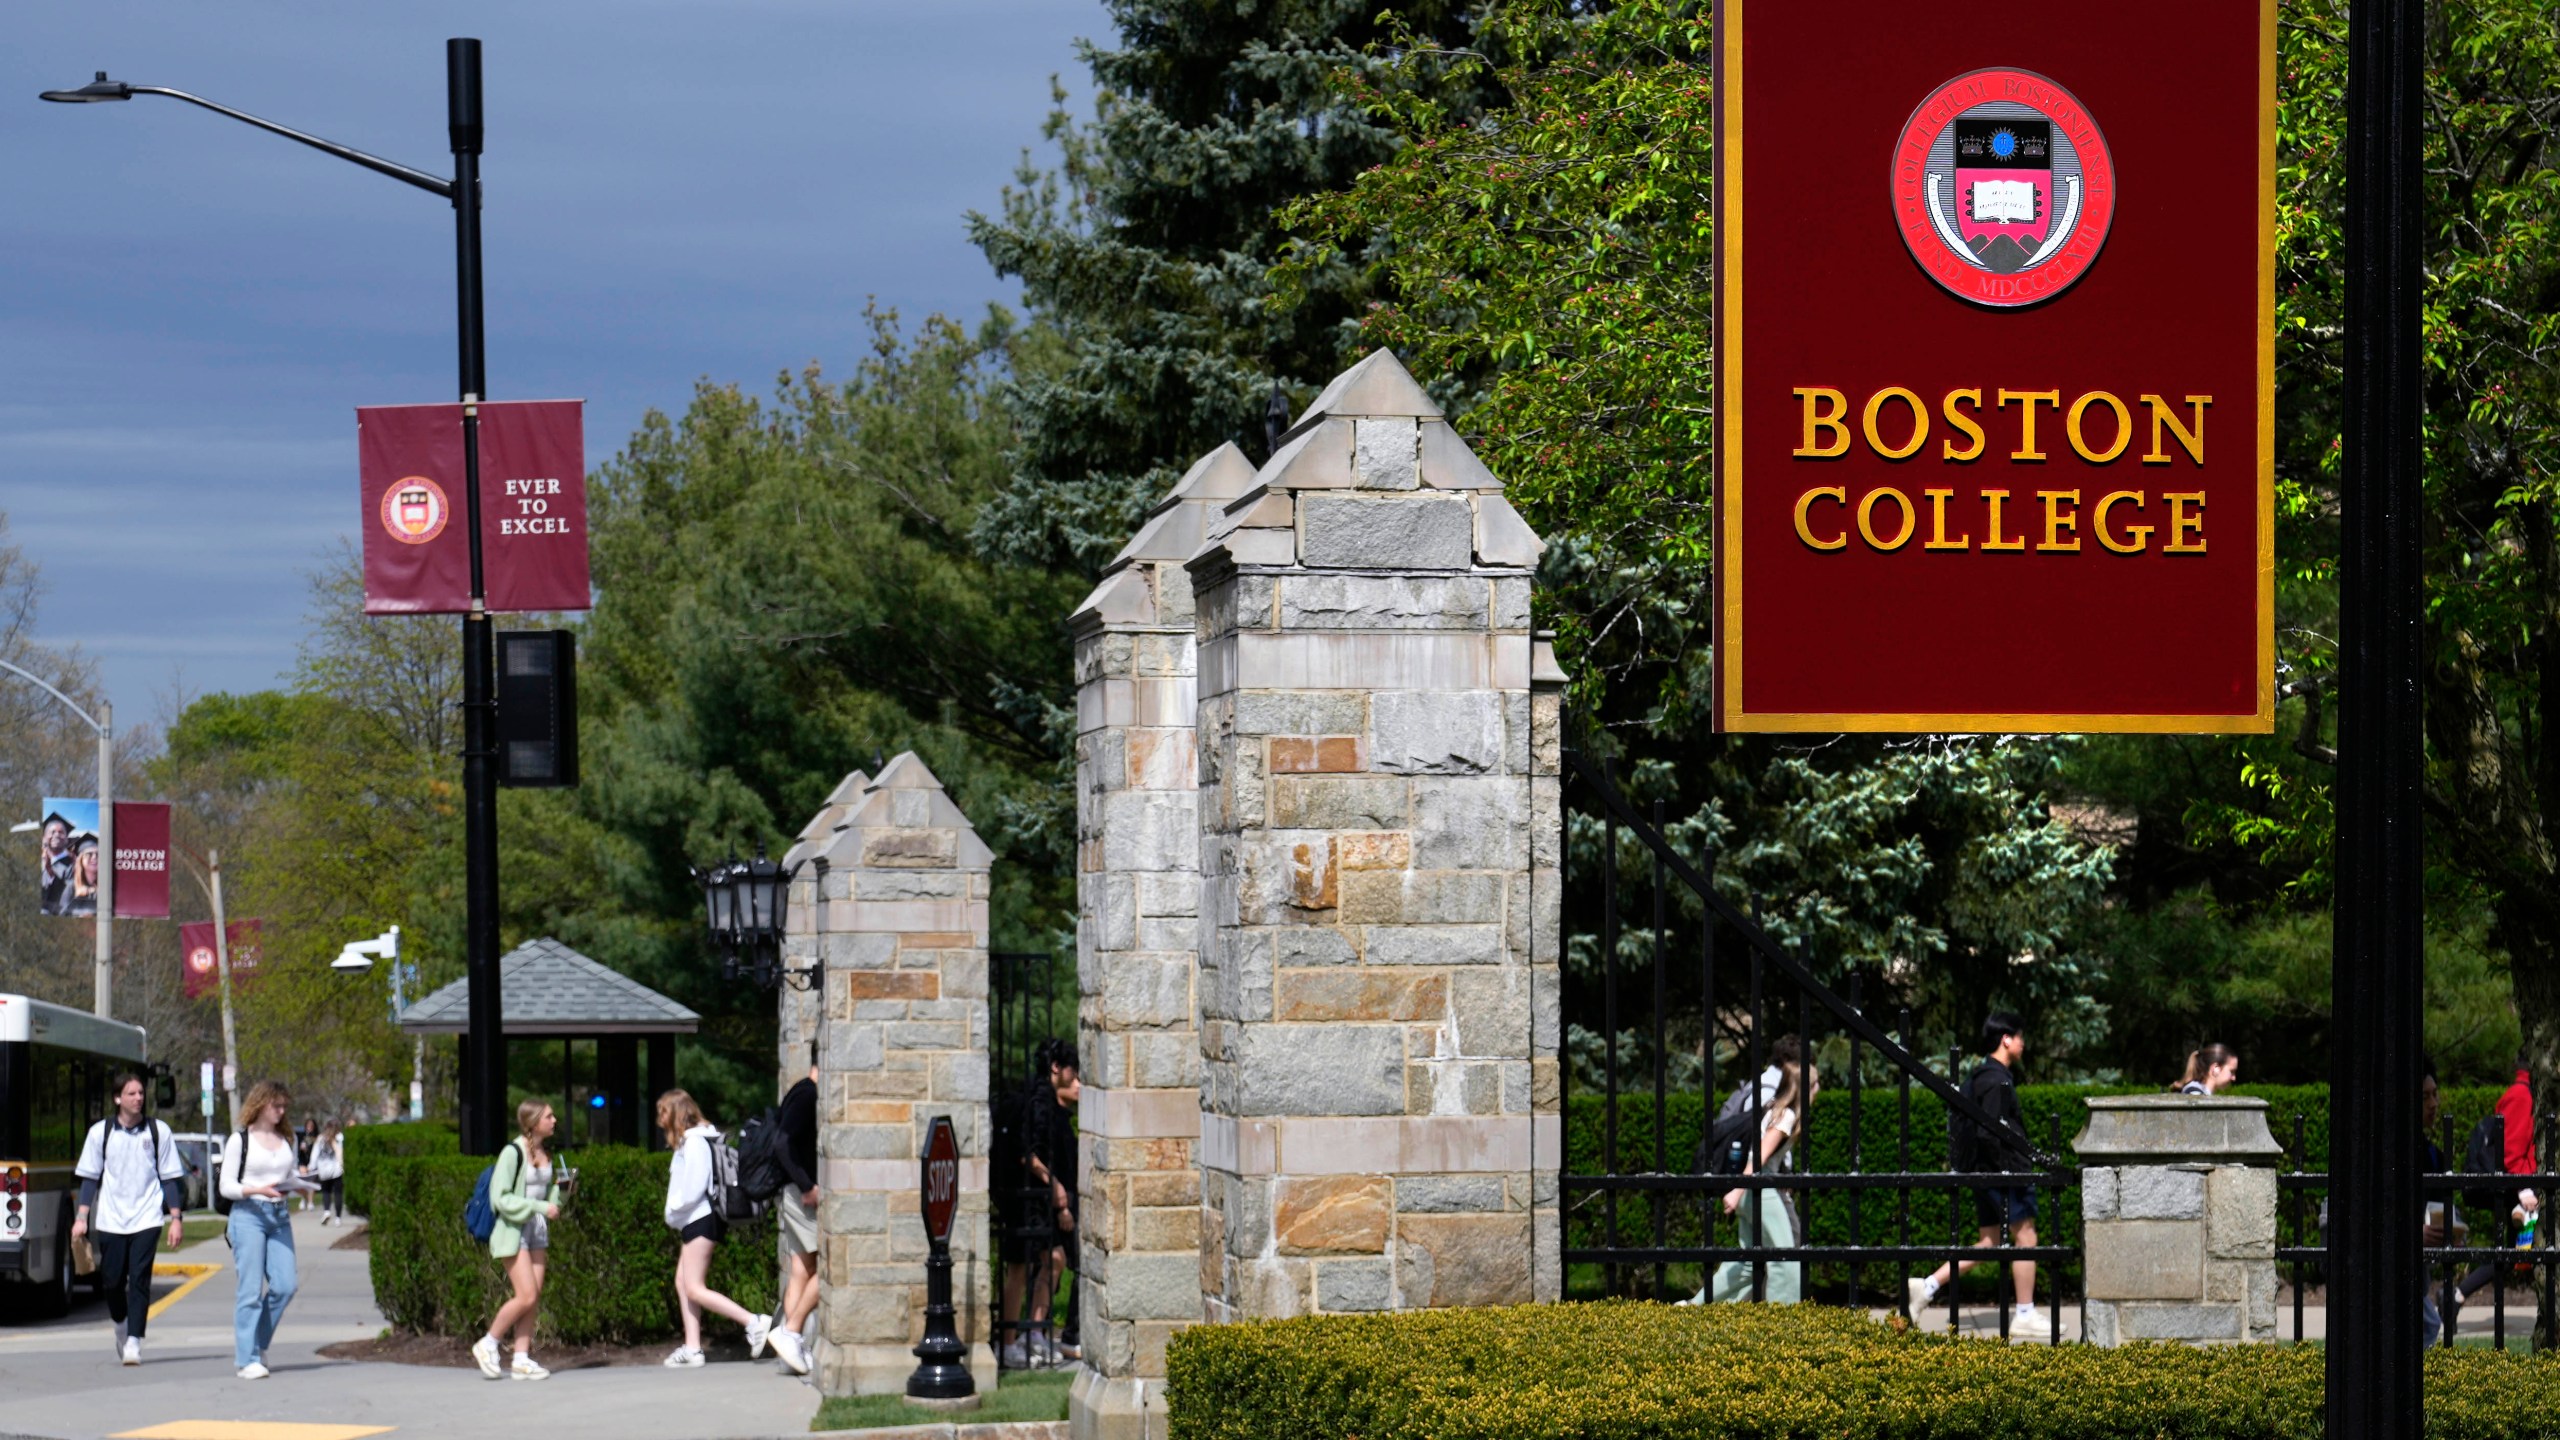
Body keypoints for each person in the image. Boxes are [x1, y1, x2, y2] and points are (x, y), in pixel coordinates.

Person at [1907, 1013, 2050, 1338]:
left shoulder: (1981, 1076)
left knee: (1990, 1241)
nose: (2023, 1043)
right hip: (2002, 1173)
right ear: (2006, 1039)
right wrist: (2009, 1172)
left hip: (1984, 1173)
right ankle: (2025, 1313)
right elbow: (1990, 1132)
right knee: (2026, 1237)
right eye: (2020, 1037)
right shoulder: (1996, 1079)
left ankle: (1926, 1287)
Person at [73, 1072, 186, 1366]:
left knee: (139, 1279)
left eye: (141, 1093)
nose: (138, 1098)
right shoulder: (100, 1133)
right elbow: (90, 1178)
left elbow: (169, 1179)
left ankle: (134, 1339)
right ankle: (121, 1326)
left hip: (147, 1217)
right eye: (131, 1093)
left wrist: (176, 1218)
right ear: (117, 1098)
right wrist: (81, 1216)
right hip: (111, 1218)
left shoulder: (158, 1131)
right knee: (112, 1282)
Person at [657, 1089, 770, 1368]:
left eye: (663, 1112)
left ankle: (754, 1322)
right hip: (696, 1219)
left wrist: (673, 1209)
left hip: (700, 1218)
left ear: (676, 1113)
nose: (660, 1119)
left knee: (694, 1287)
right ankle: (693, 1347)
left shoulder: (695, 1142)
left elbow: (694, 1188)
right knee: (682, 1282)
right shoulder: (694, 1141)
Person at [1695, 1058, 1819, 1304]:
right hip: (1761, 1191)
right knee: (1785, 1258)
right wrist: (1738, 1190)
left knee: (1746, 1263)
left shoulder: (1773, 1108)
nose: (1819, 1089)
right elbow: (1759, 1155)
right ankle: (1784, 1316)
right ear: (1807, 1088)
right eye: (1816, 1084)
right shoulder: (1786, 1116)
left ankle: (1695, 1305)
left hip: (1752, 1191)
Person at [472, 1100, 564, 1381]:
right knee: (526, 1295)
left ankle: (521, 1358)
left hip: (537, 1231)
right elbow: (500, 1198)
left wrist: (562, 1190)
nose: (554, 1120)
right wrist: (539, 1207)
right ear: (533, 1122)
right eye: (549, 1116)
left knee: (533, 1297)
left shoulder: (546, 1152)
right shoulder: (512, 1152)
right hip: (513, 1231)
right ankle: (488, 1342)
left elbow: (549, 1200)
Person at [1000, 1041, 1078, 1368]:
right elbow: (1025, 1152)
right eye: (1073, 1069)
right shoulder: (1036, 1100)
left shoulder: (1047, 1101)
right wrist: (1054, 1185)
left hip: (1037, 1197)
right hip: (1024, 1194)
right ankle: (1008, 1342)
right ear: (1056, 1067)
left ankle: (1033, 1332)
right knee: (1019, 1267)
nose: (1076, 1077)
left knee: (1054, 1259)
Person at [221, 1081, 304, 1379]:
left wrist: (299, 1183)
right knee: (250, 1289)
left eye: (284, 1106)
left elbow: (288, 1175)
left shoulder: (286, 1139)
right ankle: (247, 1360)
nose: (281, 1111)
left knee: (285, 1285)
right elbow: (226, 1186)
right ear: (260, 1104)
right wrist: (256, 1190)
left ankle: (256, 1343)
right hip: (248, 1215)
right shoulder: (240, 1140)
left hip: (279, 1215)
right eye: (276, 1105)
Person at [2453, 1054, 2539, 1316]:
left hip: (2521, 1189)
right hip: (2522, 1191)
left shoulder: (2523, 1092)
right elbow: (2510, 1151)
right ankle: (2454, 1297)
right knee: (2512, 1253)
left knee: (2511, 1254)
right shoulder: (2522, 1095)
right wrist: (2525, 1189)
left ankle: (2454, 1297)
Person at [770, 1045, 820, 1377]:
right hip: (800, 1195)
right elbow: (782, 1142)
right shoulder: (807, 1095)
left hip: (792, 1193)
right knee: (829, 1269)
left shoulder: (800, 1091)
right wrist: (807, 1186)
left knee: (801, 1270)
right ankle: (792, 1331)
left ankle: (791, 1351)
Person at [307, 1124, 346, 1225]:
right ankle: (338, 1218)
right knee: (338, 1193)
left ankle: (327, 1211)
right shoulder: (339, 1137)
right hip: (336, 1170)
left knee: (326, 1192)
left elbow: (314, 1154)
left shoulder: (320, 1139)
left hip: (323, 1170)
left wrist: (311, 1167)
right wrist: (342, 1166)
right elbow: (340, 1152)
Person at [37, 812, 73, 915]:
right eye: (52, 832)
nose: (56, 835)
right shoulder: (36, 860)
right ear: (44, 837)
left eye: (61, 832)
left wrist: (50, 870)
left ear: (67, 839)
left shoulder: (74, 865)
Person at [2171, 1044, 2241, 1095]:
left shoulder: (2199, 1093)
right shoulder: (2195, 1094)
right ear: (2215, 1069)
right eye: (2232, 1071)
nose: (2234, 1078)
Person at [65, 833, 101, 918]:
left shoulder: (107, 887)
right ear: (81, 859)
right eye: (89, 854)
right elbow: (62, 914)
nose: (94, 857)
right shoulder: (71, 887)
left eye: (97, 854)